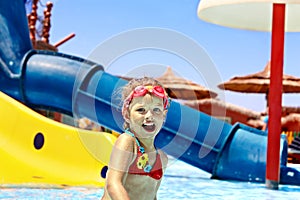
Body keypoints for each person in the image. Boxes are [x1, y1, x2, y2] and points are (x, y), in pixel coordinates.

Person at [101, 77, 170, 200]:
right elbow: (113, 184)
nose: (149, 116)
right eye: (141, 110)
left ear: (163, 116)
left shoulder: (162, 158)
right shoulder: (128, 142)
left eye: (156, 110)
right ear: (127, 114)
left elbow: (152, 196)